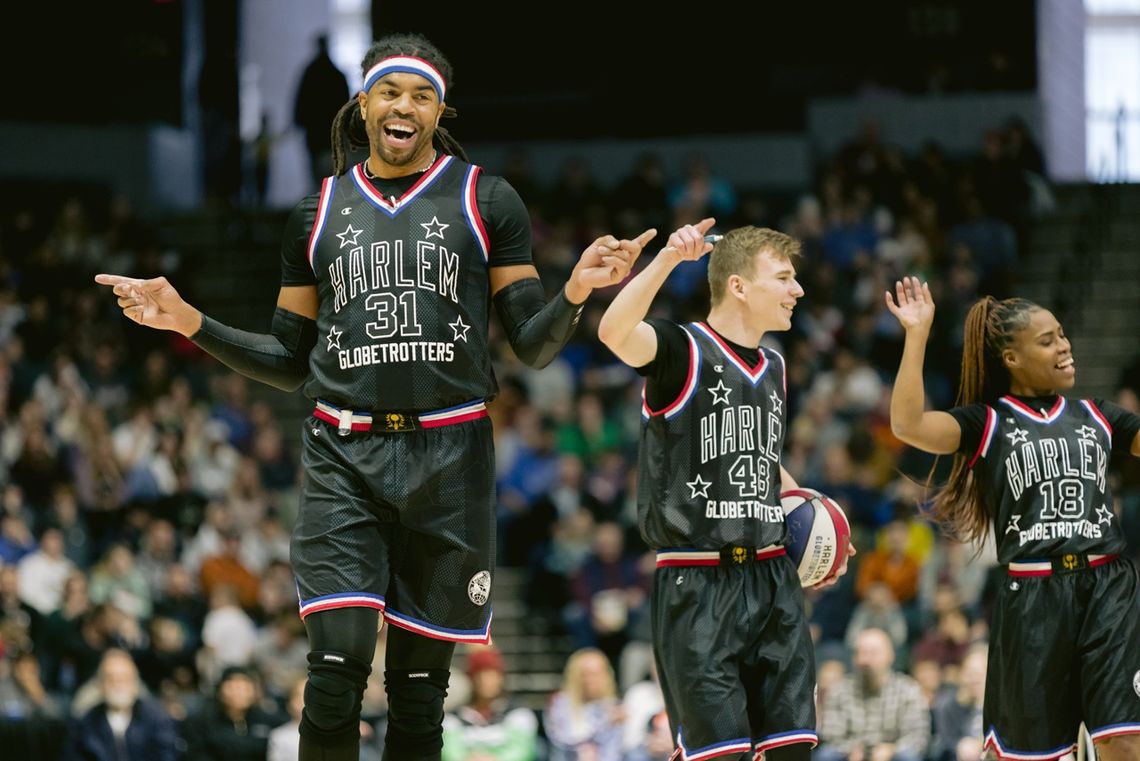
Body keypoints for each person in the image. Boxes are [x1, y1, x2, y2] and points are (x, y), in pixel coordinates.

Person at [96, 32, 650, 761]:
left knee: (420, 699)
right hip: (344, 454)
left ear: (439, 111)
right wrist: (189, 320)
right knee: (334, 672)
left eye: (422, 95)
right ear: (363, 106)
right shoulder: (316, 211)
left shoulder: (486, 198)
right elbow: (289, 359)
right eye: (390, 91)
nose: (404, 106)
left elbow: (529, 343)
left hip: (451, 458)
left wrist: (576, 288)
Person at [597, 222, 855, 760]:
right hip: (697, 584)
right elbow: (614, 332)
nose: (797, 290)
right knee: (723, 755)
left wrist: (823, 518)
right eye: (783, 278)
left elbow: (763, 461)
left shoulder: (777, 366)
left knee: (793, 749)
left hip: (771, 578)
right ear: (739, 286)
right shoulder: (681, 349)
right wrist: (667, 259)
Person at [885, 277, 1140, 761]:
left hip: (1107, 586)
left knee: (1124, 739)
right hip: (1033, 598)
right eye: (1047, 341)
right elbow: (908, 425)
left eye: (1063, 335)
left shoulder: (1100, 415)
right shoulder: (988, 422)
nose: (1064, 346)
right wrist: (916, 335)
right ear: (1012, 359)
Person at [815, 628, 930, 761]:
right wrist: (851, 749)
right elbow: (831, 736)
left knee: (908, 756)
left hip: (893, 755)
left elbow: (918, 737)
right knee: (827, 754)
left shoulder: (909, 690)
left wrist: (891, 750)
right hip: (850, 755)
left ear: (890, 656)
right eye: (861, 653)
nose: (866, 660)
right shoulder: (839, 691)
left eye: (873, 653)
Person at [63, 648, 179, 761]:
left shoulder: (157, 719)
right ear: (101, 685)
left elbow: (167, 756)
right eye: (110, 678)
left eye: (124, 678)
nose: (118, 685)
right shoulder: (86, 724)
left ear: (135, 684)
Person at [294, 34, 350, 189]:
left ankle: (319, 198)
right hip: (329, 130)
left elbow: (302, 100)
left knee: (317, 166)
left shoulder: (311, 72)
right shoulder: (336, 75)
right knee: (329, 165)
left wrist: (299, 121)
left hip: (315, 130)